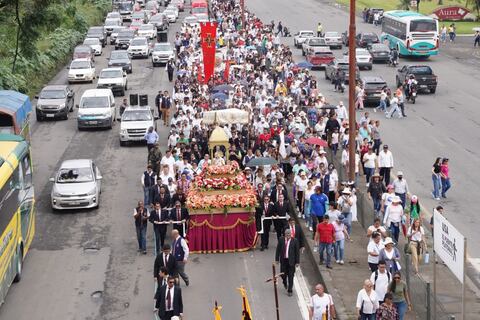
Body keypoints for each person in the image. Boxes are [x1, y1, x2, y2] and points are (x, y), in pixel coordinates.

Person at [275, 229, 300, 297]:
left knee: (291, 276)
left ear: (291, 234)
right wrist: (277, 259)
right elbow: (278, 249)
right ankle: (284, 282)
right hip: (283, 261)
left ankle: (290, 290)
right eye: (287, 234)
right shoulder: (281, 239)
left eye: (289, 234)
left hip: (291, 261)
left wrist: (297, 262)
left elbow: (297, 252)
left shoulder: (295, 241)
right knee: (283, 274)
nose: (288, 235)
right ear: (285, 234)